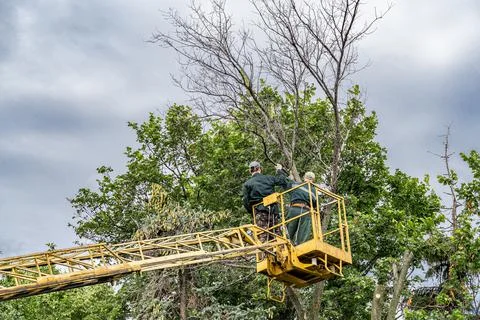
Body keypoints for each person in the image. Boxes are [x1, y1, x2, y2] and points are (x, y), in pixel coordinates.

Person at [242, 161, 287, 242]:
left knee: (262, 236)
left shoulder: (247, 184)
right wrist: (279, 170)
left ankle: (264, 254)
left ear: (250, 171)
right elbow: (282, 180)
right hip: (273, 211)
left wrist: (252, 212)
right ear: (260, 169)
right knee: (277, 235)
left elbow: (246, 201)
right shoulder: (268, 178)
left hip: (259, 213)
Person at [284, 171, 317, 245]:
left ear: (304, 178)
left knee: (288, 233)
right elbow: (315, 205)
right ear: (313, 180)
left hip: (294, 209)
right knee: (303, 235)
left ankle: (286, 246)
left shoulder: (296, 185)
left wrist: (288, 177)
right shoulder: (314, 191)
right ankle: (301, 248)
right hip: (305, 211)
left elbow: (287, 184)